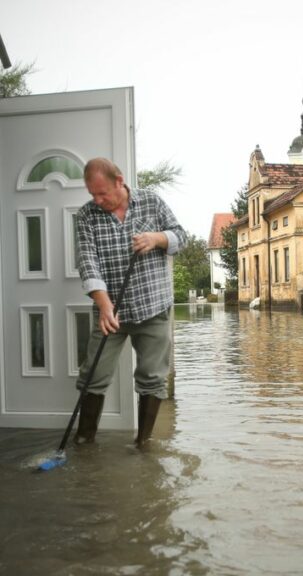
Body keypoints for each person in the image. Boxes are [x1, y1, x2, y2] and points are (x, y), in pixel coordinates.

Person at [74, 157, 187, 447]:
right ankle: (84, 441)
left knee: (152, 378)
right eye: (92, 194)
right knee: (92, 376)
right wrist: (104, 304)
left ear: (119, 181)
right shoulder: (86, 216)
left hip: (154, 307)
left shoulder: (152, 202)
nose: (97, 200)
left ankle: (143, 445)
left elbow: (181, 237)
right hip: (110, 312)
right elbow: (88, 264)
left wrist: (157, 238)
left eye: (103, 193)